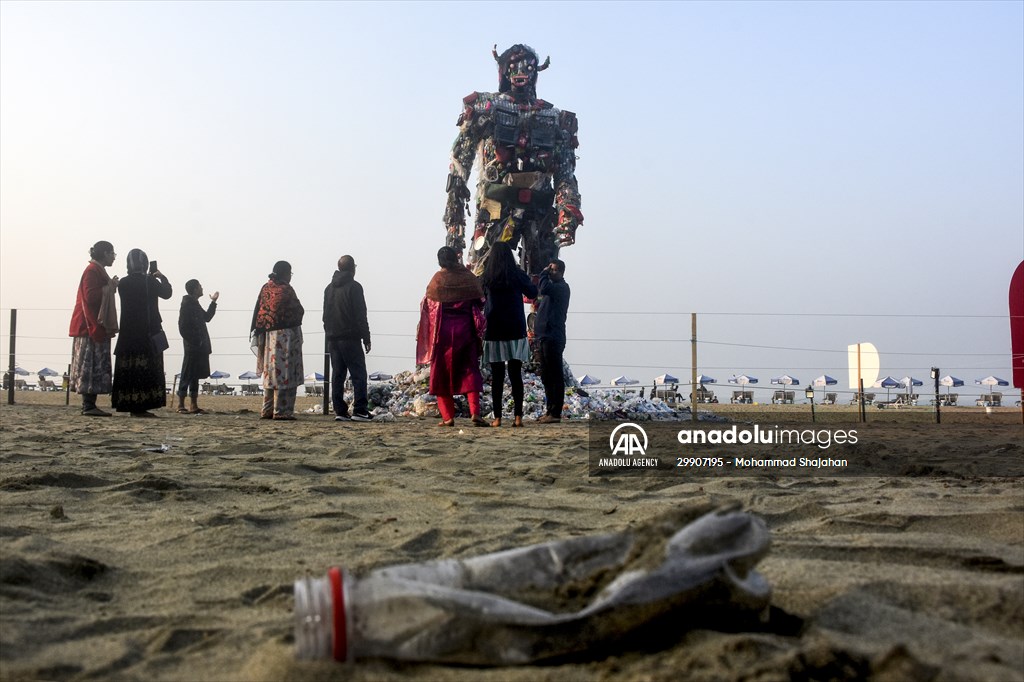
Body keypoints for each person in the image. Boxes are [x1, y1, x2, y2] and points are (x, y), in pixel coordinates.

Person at [444, 43, 583, 277]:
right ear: (504, 71)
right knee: (484, 277)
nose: (521, 71)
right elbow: (459, 170)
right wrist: (454, 232)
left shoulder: (554, 118)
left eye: (527, 66)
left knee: (545, 281)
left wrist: (567, 209)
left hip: (539, 209)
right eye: (513, 65)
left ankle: (540, 311)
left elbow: (565, 175)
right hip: (496, 206)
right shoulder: (485, 109)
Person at [416, 246, 489, 427]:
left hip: (442, 334)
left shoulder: (437, 281)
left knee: (441, 373)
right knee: (469, 370)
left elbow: (429, 307)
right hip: (466, 331)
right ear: (456, 258)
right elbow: (480, 302)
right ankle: (475, 412)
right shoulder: (468, 277)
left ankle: (448, 417)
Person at [480, 241, 537, 427]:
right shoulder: (517, 275)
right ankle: (518, 417)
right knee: (515, 375)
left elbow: (478, 299)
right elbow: (532, 292)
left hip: (494, 330)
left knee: (497, 377)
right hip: (515, 329)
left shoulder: (486, 277)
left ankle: (497, 418)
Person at [112, 249, 173, 417]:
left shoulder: (123, 283)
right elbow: (167, 293)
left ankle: (131, 405)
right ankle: (142, 406)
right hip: (148, 332)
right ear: (145, 264)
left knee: (130, 371)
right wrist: (162, 277)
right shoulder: (150, 282)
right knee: (147, 370)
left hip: (128, 333)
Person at [69, 241, 119, 416]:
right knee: (90, 364)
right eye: (112, 253)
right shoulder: (92, 271)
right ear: (105, 253)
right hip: (89, 325)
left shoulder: (96, 270)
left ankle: (90, 404)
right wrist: (110, 287)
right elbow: (91, 297)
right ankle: (88, 405)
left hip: (94, 324)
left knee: (93, 364)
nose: (114, 257)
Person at [251, 261, 304, 420]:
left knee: (270, 373)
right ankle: (282, 411)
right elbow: (298, 310)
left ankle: (267, 409)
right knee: (285, 372)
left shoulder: (266, 288)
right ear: (286, 273)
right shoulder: (286, 290)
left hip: (268, 337)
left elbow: (261, 312)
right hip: (286, 337)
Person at [323, 255, 372, 422]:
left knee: (337, 375)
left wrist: (329, 332)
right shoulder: (355, 287)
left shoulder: (329, 289)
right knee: (358, 374)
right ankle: (360, 410)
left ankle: (340, 411)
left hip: (332, 337)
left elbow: (325, 315)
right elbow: (360, 315)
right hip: (350, 337)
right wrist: (366, 337)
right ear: (353, 269)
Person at [534, 258, 569, 423]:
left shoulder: (561, 288)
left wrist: (543, 272)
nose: (551, 272)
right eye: (550, 270)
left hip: (553, 336)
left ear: (561, 272)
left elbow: (544, 286)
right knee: (547, 376)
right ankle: (549, 411)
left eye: (554, 270)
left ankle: (555, 413)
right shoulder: (551, 290)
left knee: (555, 375)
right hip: (543, 336)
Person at [176, 279, 219, 414]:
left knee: (194, 374)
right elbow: (182, 327)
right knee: (187, 373)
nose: (202, 288)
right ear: (195, 289)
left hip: (198, 345)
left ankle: (193, 405)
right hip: (192, 346)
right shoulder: (187, 304)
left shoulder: (194, 304)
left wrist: (213, 302)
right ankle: (181, 404)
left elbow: (206, 317)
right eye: (200, 286)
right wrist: (194, 341)